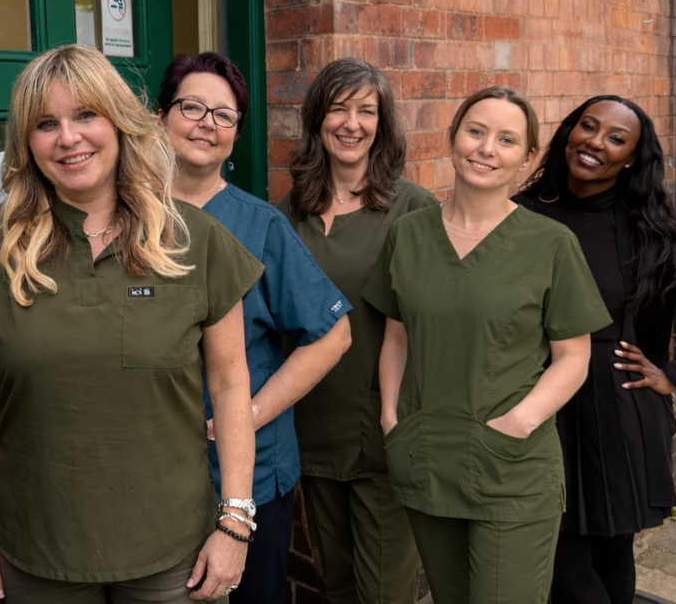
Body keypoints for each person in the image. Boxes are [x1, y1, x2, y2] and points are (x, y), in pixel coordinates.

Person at [0, 44, 263, 604]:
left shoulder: (194, 239)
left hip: (173, 553)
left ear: (119, 122)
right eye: (46, 123)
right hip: (33, 549)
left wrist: (235, 521)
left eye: (86, 115)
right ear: (26, 143)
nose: (68, 138)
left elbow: (231, 383)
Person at [366, 86, 612, 604]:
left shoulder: (550, 244)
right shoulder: (407, 234)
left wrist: (519, 422)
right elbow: (396, 336)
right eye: (476, 132)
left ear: (526, 158)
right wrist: (392, 415)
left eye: (506, 140)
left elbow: (574, 357)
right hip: (426, 457)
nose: (486, 148)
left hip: (513, 468)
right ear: (452, 138)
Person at [158, 52, 353, 604]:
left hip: (247, 478)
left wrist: (249, 412)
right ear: (160, 117)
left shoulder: (260, 225)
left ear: (236, 134)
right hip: (152, 475)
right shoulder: (128, 218)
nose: (207, 124)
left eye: (224, 115)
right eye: (191, 107)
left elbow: (334, 333)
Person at [515, 95, 676, 604]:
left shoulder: (653, 234)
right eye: (588, 126)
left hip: (616, 411)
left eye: (615, 138)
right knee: (560, 563)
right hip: (539, 408)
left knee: (611, 557)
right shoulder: (518, 215)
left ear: (631, 159)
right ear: (569, 132)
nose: (594, 143)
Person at [277, 58, 436, 604]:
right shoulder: (289, 215)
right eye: (338, 109)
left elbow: (440, 320)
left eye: (366, 111)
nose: (351, 123)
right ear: (317, 119)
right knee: (337, 586)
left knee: (385, 593)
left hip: (387, 437)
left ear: (382, 123)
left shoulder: (412, 209)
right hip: (314, 432)